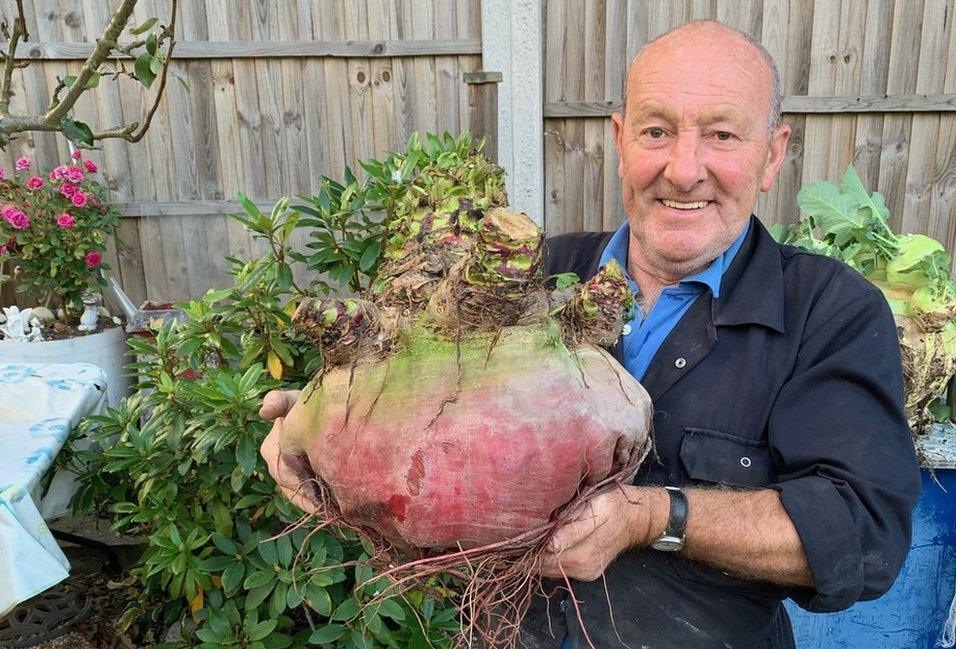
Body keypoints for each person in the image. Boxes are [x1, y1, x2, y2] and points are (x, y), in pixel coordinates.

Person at [260, 20, 920, 649]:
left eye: (721, 135)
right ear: (619, 139)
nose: (684, 169)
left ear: (772, 154)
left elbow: (863, 534)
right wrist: (328, 424)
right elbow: (427, 421)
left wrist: (658, 517)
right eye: (657, 131)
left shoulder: (829, 312)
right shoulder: (527, 278)